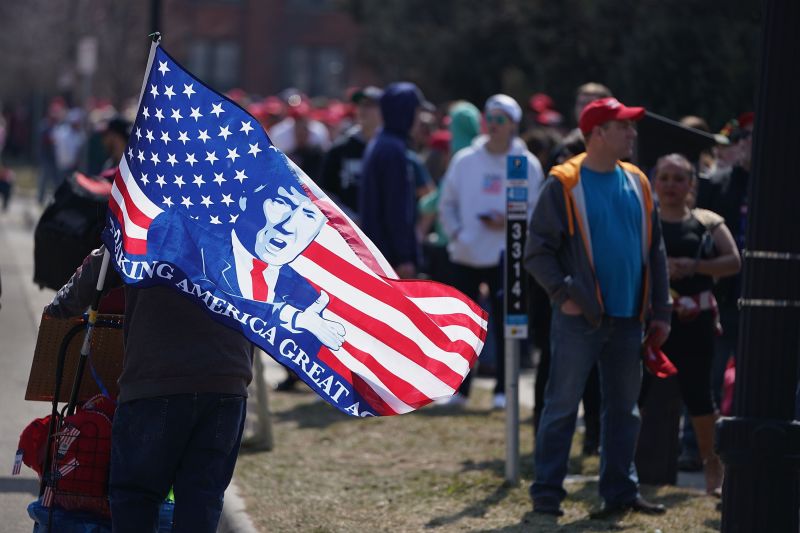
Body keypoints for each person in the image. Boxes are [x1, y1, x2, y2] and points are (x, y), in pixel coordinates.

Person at [525, 97, 671, 517]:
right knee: (562, 407)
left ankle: (620, 493)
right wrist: (564, 296)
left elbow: (655, 250)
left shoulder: (639, 181)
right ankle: (547, 494)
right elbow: (537, 253)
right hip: (580, 319)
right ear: (598, 134)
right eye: (623, 126)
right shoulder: (563, 183)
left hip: (630, 319)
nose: (633, 133)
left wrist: (661, 310)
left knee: (624, 411)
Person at [44, 248, 254, 532]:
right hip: (228, 381)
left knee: (136, 497)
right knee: (202, 499)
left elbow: (96, 274)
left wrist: (59, 307)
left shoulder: (147, 217)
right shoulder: (245, 223)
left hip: (155, 380)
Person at [438, 94, 544, 408]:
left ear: (513, 124)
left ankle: (503, 389)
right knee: (464, 323)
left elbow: (536, 210)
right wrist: (458, 234)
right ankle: (460, 388)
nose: (494, 125)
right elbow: (448, 203)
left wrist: (510, 222)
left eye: (501, 119)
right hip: (468, 253)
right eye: (490, 118)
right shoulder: (466, 159)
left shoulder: (526, 163)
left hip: (505, 255)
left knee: (504, 323)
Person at [646, 153, 740, 496]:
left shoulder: (707, 221)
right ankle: (643, 466)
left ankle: (712, 466)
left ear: (691, 185)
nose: (671, 185)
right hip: (652, 322)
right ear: (654, 182)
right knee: (640, 394)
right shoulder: (645, 219)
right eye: (665, 177)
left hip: (695, 322)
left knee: (700, 395)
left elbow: (733, 261)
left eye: (679, 178)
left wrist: (694, 266)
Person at [359, 81, 429, 279]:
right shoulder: (393, 150)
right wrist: (403, 257)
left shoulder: (382, 142)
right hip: (391, 259)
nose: (419, 119)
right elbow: (396, 209)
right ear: (406, 112)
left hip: (379, 252)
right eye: (416, 112)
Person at [318, 86, 383, 221]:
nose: (363, 110)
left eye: (370, 105)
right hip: (351, 228)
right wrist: (348, 218)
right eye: (360, 105)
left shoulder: (390, 148)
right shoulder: (341, 147)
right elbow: (325, 190)